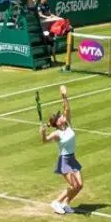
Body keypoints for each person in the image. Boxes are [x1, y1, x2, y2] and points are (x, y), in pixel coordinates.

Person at [41, 85, 84, 214]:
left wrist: (64, 96)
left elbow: (67, 108)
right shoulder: (57, 134)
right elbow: (44, 141)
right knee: (73, 185)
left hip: (72, 158)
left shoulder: (69, 124)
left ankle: (66, 203)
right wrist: (42, 133)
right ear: (57, 123)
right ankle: (56, 202)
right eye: (60, 117)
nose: (62, 116)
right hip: (64, 161)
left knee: (80, 185)